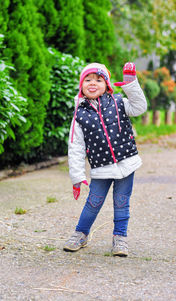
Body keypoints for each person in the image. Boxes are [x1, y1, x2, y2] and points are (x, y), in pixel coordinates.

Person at [63, 62, 147, 256]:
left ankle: (120, 238)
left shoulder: (120, 102)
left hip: (126, 163)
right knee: (93, 201)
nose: (93, 83)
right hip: (101, 168)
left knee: (121, 201)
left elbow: (140, 107)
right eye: (88, 79)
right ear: (81, 85)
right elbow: (75, 147)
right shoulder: (80, 114)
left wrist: (130, 83)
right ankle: (81, 234)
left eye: (98, 80)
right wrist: (77, 177)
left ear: (107, 85)